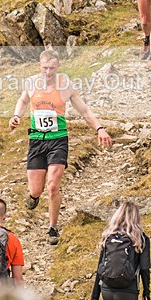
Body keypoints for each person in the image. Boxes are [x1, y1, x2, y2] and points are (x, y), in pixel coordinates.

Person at [9, 48, 112, 244]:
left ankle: (52, 227)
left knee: (53, 186)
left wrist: (100, 128)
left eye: (52, 69)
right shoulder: (31, 83)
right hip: (37, 140)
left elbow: (84, 110)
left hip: (58, 140)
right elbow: (23, 101)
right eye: (45, 68)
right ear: (39, 66)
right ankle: (33, 196)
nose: (48, 72)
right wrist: (16, 116)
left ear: (58, 67)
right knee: (36, 190)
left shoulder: (66, 86)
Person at [90, 201, 151, 300]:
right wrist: (146, 294)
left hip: (106, 291)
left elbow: (99, 268)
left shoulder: (108, 237)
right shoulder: (141, 239)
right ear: (136, 218)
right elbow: (144, 269)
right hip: (126, 293)